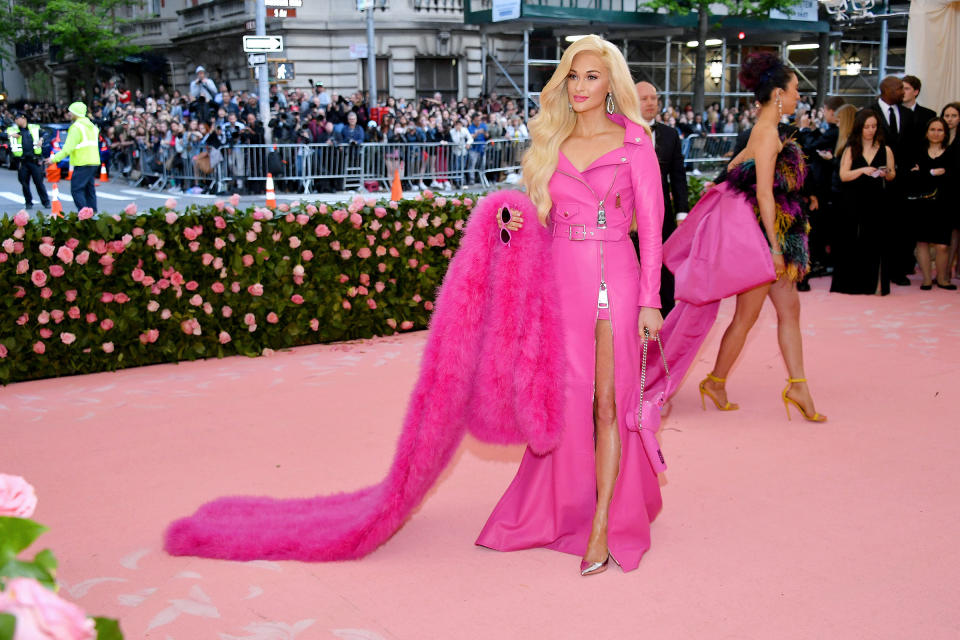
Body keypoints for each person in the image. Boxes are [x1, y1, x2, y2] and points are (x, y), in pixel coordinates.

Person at [476, 35, 664, 576]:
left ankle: (603, 523)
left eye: (591, 77)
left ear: (611, 85)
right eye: (572, 76)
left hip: (621, 281)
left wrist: (651, 300)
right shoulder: (549, 143)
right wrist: (511, 226)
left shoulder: (635, 144)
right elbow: (536, 225)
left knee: (610, 404)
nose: (579, 87)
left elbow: (651, 231)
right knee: (565, 403)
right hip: (561, 281)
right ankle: (564, 507)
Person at [693, 52, 826, 423]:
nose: (799, 96)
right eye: (796, 89)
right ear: (779, 94)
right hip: (767, 240)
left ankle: (796, 385)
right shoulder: (767, 133)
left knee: (785, 312)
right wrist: (775, 249)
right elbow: (765, 194)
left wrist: (722, 183)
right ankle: (716, 381)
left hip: (770, 235)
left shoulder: (764, 132)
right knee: (747, 317)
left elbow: (737, 165)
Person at [635, 81, 688, 314]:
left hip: (663, 214)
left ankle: (666, 323)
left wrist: (682, 213)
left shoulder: (670, 134)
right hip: (631, 216)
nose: (650, 103)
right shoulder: (620, 133)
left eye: (654, 98)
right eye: (644, 98)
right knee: (634, 268)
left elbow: (678, 176)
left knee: (665, 269)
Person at [830, 109, 896, 296]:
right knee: (851, 240)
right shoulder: (851, 148)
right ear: (860, 127)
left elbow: (892, 175)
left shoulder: (886, 149)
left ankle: (875, 285)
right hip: (853, 199)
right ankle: (850, 283)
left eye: (874, 126)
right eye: (867, 126)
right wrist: (863, 170)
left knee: (875, 241)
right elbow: (844, 175)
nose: (870, 130)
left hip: (877, 199)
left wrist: (886, 173)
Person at [871, 76, 915, 286]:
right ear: (886, 89)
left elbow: (912, 146)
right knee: (877, 227)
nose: (902, 92)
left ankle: (898, 270)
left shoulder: (907, 115)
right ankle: (877, 270)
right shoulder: (869, 112)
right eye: (899, 88)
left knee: (900, 227)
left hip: (902, 181)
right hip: (876, 181)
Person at [909, 117, 955, 290]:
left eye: (940, 130)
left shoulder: (952, 153)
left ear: (945, 133)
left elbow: (952, 176)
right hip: (922, 204)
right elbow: (913, 177)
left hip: (944, 203)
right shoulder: (918, 152)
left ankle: (942, 279)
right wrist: (933, 173)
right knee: (922, 242)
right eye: (932, 130)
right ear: (926, 132)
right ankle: (927, 279)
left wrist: (925, 173)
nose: (936, 133)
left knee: (943, 245)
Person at [49, 102, 101, 213]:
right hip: (94, 161)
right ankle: (93, 214)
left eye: (70, 111)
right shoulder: (92, 126)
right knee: (89, 189)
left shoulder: (76, 127)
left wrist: (53, 159)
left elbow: (67, 148)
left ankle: (84, 214)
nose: (69, 113)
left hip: (82, 161)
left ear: (75, 112)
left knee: (76, 190)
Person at [6, 112, 50, 210]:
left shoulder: (34, 128)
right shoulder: (14, 130)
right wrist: (11, 135)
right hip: (22, 162)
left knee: (39, 182)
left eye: (17, 119)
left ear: (23, 118)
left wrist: (41, 139)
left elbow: (46, 133)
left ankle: (46, 202)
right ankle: (28, 202)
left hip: (34, 161)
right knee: (24, 183)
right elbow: (4, 135)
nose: (16, 121)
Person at [901, 76, 937, 143]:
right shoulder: (893, 112)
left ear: (916, 92)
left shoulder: (929, 115)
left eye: (906, 89)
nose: (902, 92)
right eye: (901, 88)